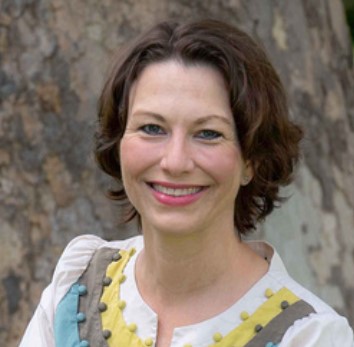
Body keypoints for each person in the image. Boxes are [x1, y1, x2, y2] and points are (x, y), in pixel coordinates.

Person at [20, 19, 353, 347]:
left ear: (251, 160)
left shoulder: (312, 338)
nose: (175, 162)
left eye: (208, 133)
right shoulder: (76, 287)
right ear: (119, 142)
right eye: (152, 128)